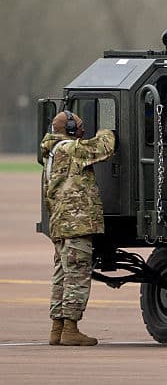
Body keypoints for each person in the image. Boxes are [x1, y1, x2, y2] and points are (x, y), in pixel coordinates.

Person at [39, 110, 116, 346]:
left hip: (62, 223)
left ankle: (58, 328)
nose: (82, 131)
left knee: (62, 275)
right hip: (76, 222)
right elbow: (103, 148)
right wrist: (108, 130)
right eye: (80, 127)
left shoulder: (51, 151)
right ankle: (71, 328)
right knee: (77, 276)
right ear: (70, 129)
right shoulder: (68, 148)